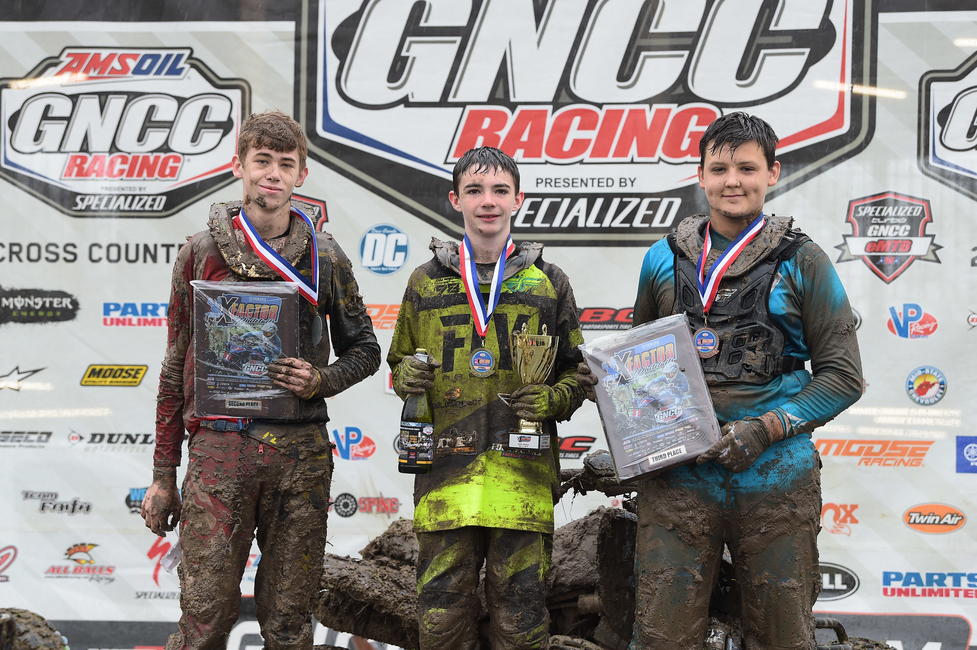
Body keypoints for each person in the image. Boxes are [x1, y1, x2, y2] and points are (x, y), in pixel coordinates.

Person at [582, 112, 863, 648]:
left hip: (775, 477)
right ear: (701, 176)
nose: (733, 180)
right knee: (661, 638)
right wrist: (631, 448)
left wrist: (768, 427)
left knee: (781, 638)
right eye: (720, 168)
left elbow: (844, 376)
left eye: (746, 168)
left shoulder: (804, 262)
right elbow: (638, 368)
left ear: (773, 174)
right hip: (677, 481)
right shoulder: (662, 260)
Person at [141, 110, 381, 650]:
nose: (272, 173)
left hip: (299, 455)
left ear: (303, 175)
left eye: (285, 164)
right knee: (202, 621)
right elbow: (176, 367)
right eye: (262, 161)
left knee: (290, 624)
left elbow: (366, 351)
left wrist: (320, 379)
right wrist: (162, 473)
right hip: (218, 451)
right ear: (239, 167)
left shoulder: (325, 256)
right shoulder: (199, 254)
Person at [388, 146, 587, 649]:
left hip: (521, 478)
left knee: (522, 616)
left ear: (518, 199)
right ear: (456, 200)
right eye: (475, 191)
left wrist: (554, 401)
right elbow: (397, 363)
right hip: (444, 480)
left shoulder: (549, 281)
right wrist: (407, 375)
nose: (488, 201)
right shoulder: (425, 282)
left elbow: (578, 372)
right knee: (439, 618)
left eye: (500, 190)